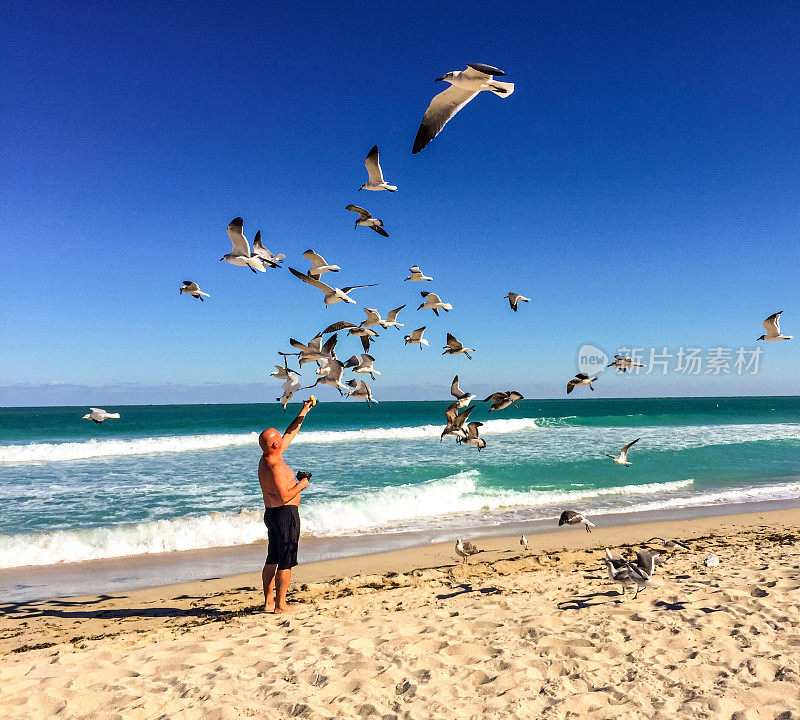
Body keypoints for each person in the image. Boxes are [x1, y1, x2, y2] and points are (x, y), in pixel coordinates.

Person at [258, 398, 314, 613]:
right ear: (274, 444)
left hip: (271, 514)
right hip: (284, 514)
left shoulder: (267, 457)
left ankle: (268, 602)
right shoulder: (275, 466)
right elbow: (284, 496)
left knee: (272, 557)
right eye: (277, 438)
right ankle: (281, 605)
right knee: (286, 559)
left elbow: (290, 433)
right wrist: (302, 484)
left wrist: (304, 411)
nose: (282, 438)